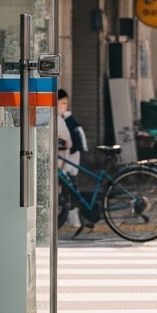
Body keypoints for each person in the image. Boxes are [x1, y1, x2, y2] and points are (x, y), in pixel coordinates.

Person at [57, 90, 87, 228]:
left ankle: (75, 218)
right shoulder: (62, 118)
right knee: (69, 185)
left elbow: (72, 141)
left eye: (66, 103)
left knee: (71, 184)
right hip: (66, 157)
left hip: (71, 156)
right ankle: (73, 217)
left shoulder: (67, 119)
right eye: (61, 103)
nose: (64, 106)